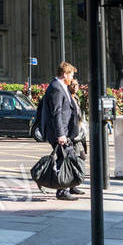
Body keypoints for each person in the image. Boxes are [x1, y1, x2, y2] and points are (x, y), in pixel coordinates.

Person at [40, 62, 82, 200]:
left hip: (64, 131)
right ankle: (60, 189)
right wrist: (61, 134)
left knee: (67, 157)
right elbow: (56, 113)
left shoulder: (61, 86)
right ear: (65, 74)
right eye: (71, 75)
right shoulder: (56, 88)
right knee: (65, 158)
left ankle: (68, 185)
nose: (72, 78)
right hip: (58, 132)